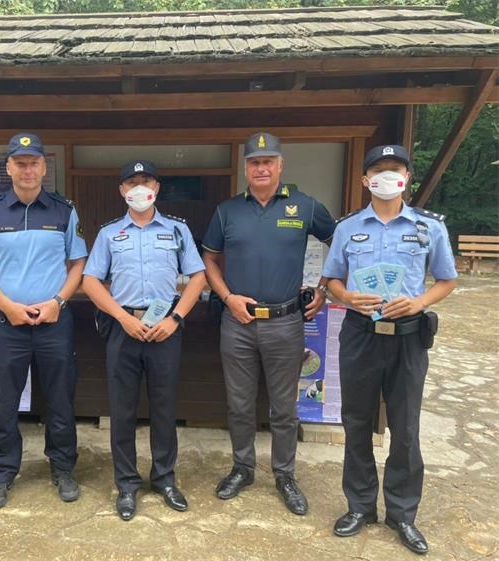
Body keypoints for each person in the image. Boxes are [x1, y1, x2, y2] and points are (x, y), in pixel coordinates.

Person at [322, 145, 457, 555]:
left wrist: (419, 302)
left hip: (408, 339)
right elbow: (332, 279)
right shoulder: (347, 227)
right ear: (365, 180)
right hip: (360, 335)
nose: (386, 176)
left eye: (394, 169)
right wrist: (348, 297)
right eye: (378, 170)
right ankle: (360, 506)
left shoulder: (428, 227)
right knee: (356, 422)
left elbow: (446, 280)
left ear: (406, 177)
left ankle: (402, 514)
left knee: (405, 428)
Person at [202, 132, 335, 515]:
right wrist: (227, 297)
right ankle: (242, 469)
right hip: (238, 322)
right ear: (246, 168)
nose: (261, 168)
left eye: (268, 161)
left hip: (285, 321)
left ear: (280, 165)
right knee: (239, 404)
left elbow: (340, 245)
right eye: (254, 162)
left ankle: (285, 476)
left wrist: (324, 287)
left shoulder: (305, 206)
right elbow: (209, 259)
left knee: (284, 408)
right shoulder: (227, 211)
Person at [0, 132, 87, 509]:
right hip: (7, 324)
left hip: (54, 322)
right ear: (9, 167)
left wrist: (58, 301)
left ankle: (63, 469)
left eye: (33, 162)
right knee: (3, 402)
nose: (27, 169)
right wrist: (7, 306)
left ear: (44, 167)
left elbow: (78, 263)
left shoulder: (64, 210)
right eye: (20, 163)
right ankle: (2, 474)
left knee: (61, 400)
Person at [82, 160, 206, 521]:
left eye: (146, 181)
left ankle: (165, 479)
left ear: (157, 188)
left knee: (164, 408)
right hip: (123, 328)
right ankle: (126, 484)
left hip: (165, 328)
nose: (139, 187)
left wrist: (175, 318)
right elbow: (90, 281)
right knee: (122, 410)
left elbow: (198, 277)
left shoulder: (177, 230)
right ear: (122, 190)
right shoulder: (109, 233)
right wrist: (121, 318)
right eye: (132, 182)